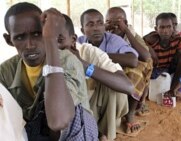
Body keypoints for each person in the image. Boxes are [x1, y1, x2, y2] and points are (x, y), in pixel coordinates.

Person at [1, 2, 98, 140]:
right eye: (20, 37)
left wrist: (51, 41)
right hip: (34, 134)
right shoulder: (6, 71)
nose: (30, 45)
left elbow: (59, 121)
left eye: (37, 34)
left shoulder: (67, 60)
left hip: (73, 134)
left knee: (64, 110)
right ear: (9, 40)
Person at [60, 14, 134, 141]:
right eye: (46, 41)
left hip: (89, 110)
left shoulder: (88, 52)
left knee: (112, 86)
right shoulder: (37, 57)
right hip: (59, 117)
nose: (96, 28)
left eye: (59, 40)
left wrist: (83, 65)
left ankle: (102, 133)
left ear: (73, 40)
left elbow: (127, 86)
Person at [79, 9, 140, 140]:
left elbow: (133, 60)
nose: (96, 28)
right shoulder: (79, 44)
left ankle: (105, 134)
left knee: (112, 86)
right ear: (82, 30)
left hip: (110, 92)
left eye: (100, 23)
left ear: (104, 27)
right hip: (88, 93)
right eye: (90, 24)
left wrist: (98, 56)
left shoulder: (113, 40)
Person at [105, 7, 153, 133]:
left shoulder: (132, 34)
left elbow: (146, 57)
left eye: (117, 23)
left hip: (129, 67)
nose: (113, 27)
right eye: (109, 22)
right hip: (112, 66)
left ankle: (130, 114)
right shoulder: (104, 35)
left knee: (136, 71)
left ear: (125, 23)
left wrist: (126, 31)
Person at [143, 13, 181, 98]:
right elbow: (138, 42)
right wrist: (149, 48)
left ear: (173, 28)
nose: (166, 31)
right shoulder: (151, 38)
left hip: (171, 70)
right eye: (162, 27)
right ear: (156, 29)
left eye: (169, 27)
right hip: (154, 70)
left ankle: (174, 88)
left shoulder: (178, 40)